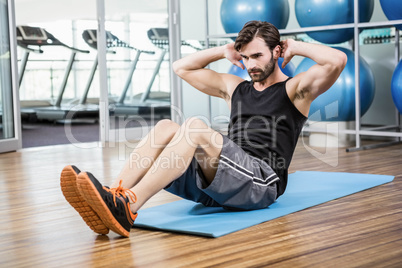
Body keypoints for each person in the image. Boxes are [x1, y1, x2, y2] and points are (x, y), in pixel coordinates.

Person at [61, 21, 347, 237]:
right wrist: (222, 52)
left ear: (276, 51)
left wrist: (295, 46)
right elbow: (181, 67)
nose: (250, 65)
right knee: (165, 127)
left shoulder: (296, 90)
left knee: (195, 128)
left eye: (257, 56)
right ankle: (114, 196)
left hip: (260, 182)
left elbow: (337, 60)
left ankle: (129, 206)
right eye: (245, 58)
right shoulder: (236, 88)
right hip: (219, 184)